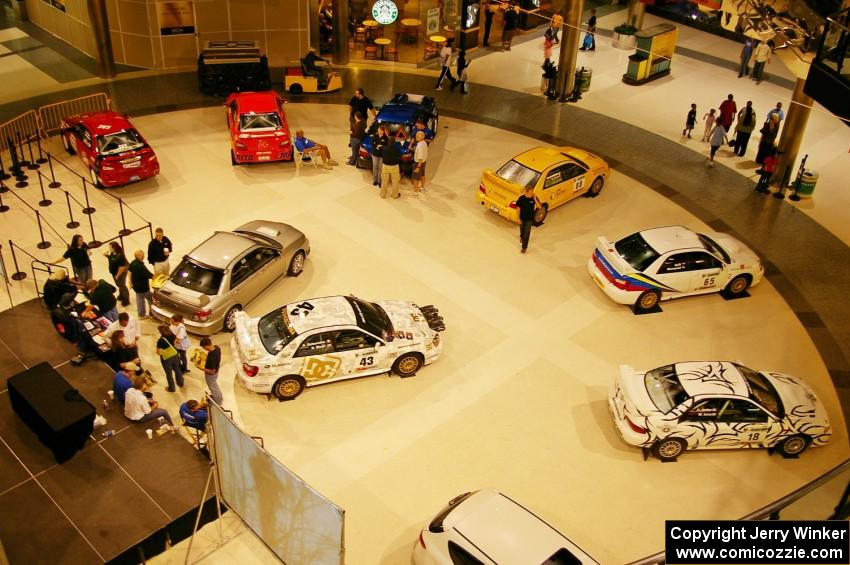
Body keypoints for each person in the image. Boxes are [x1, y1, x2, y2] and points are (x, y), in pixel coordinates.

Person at [156, 324, 183, 392]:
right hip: (175, 354)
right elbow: (176, 342)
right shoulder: (173, 335)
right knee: (177, 370)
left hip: (167, 359)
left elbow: (159, 352)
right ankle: (180, 383)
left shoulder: (161, 340)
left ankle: (172, 388)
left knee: (169, 373)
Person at [516, 186, 541, 254]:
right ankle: (521, 237)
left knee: (527, 233)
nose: (532, 193)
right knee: (522, 229)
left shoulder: (533, 198)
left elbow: (539, 207)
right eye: (530, 192)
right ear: (526, 192)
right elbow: (518, 208)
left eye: (532, 192)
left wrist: (535, 198)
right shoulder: (521, 198)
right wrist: (518, 218)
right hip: (522, 218)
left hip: (529, 219)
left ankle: (524, 247)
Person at [128, 250, 153, 318]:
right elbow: (148, 275)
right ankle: (152, 313)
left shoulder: (133, 263)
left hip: (136, 286)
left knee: (140, 299)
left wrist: (130, 282)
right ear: (138, 256)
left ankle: (141, 314)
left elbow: (129, 272)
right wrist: (156, 277)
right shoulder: (141, 266)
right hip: (143, 287)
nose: (143, 256)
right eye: (142, 255)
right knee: (152, 299)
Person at [104, 241, 130, 307]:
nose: (109, 249)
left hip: (120, 272)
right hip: (114, 272)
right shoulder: (113, 253)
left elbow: (122, 267)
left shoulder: (119, 256)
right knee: (119, 284)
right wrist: (107, 256)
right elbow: (112, 259)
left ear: (114, 248)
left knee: (122, 285)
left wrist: (117, 275)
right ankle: (121, 295)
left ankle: (126, 300)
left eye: (110, 247)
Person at [200, 337, 223, 406]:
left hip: (211, 375)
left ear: (207, 345)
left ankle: (218, 402)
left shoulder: (212, 358)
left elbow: (212, 371)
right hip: (216, 371)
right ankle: (219, 398)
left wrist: (200, 368)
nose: (204, 349)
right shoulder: (217, 348)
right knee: (215, 386)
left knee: (213, 388)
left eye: (204, 347)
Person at [411, 131, 428, 196]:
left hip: (418, 163)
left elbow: (420, 157)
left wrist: (418, 167)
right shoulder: (424, 143)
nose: (416, 137)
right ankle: (422, 187)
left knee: (416, 178)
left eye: (418, 136)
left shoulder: (420, 145)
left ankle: (415, 192)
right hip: (424, 162)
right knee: (423, 175)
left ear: (423, 137)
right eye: (416, 135)